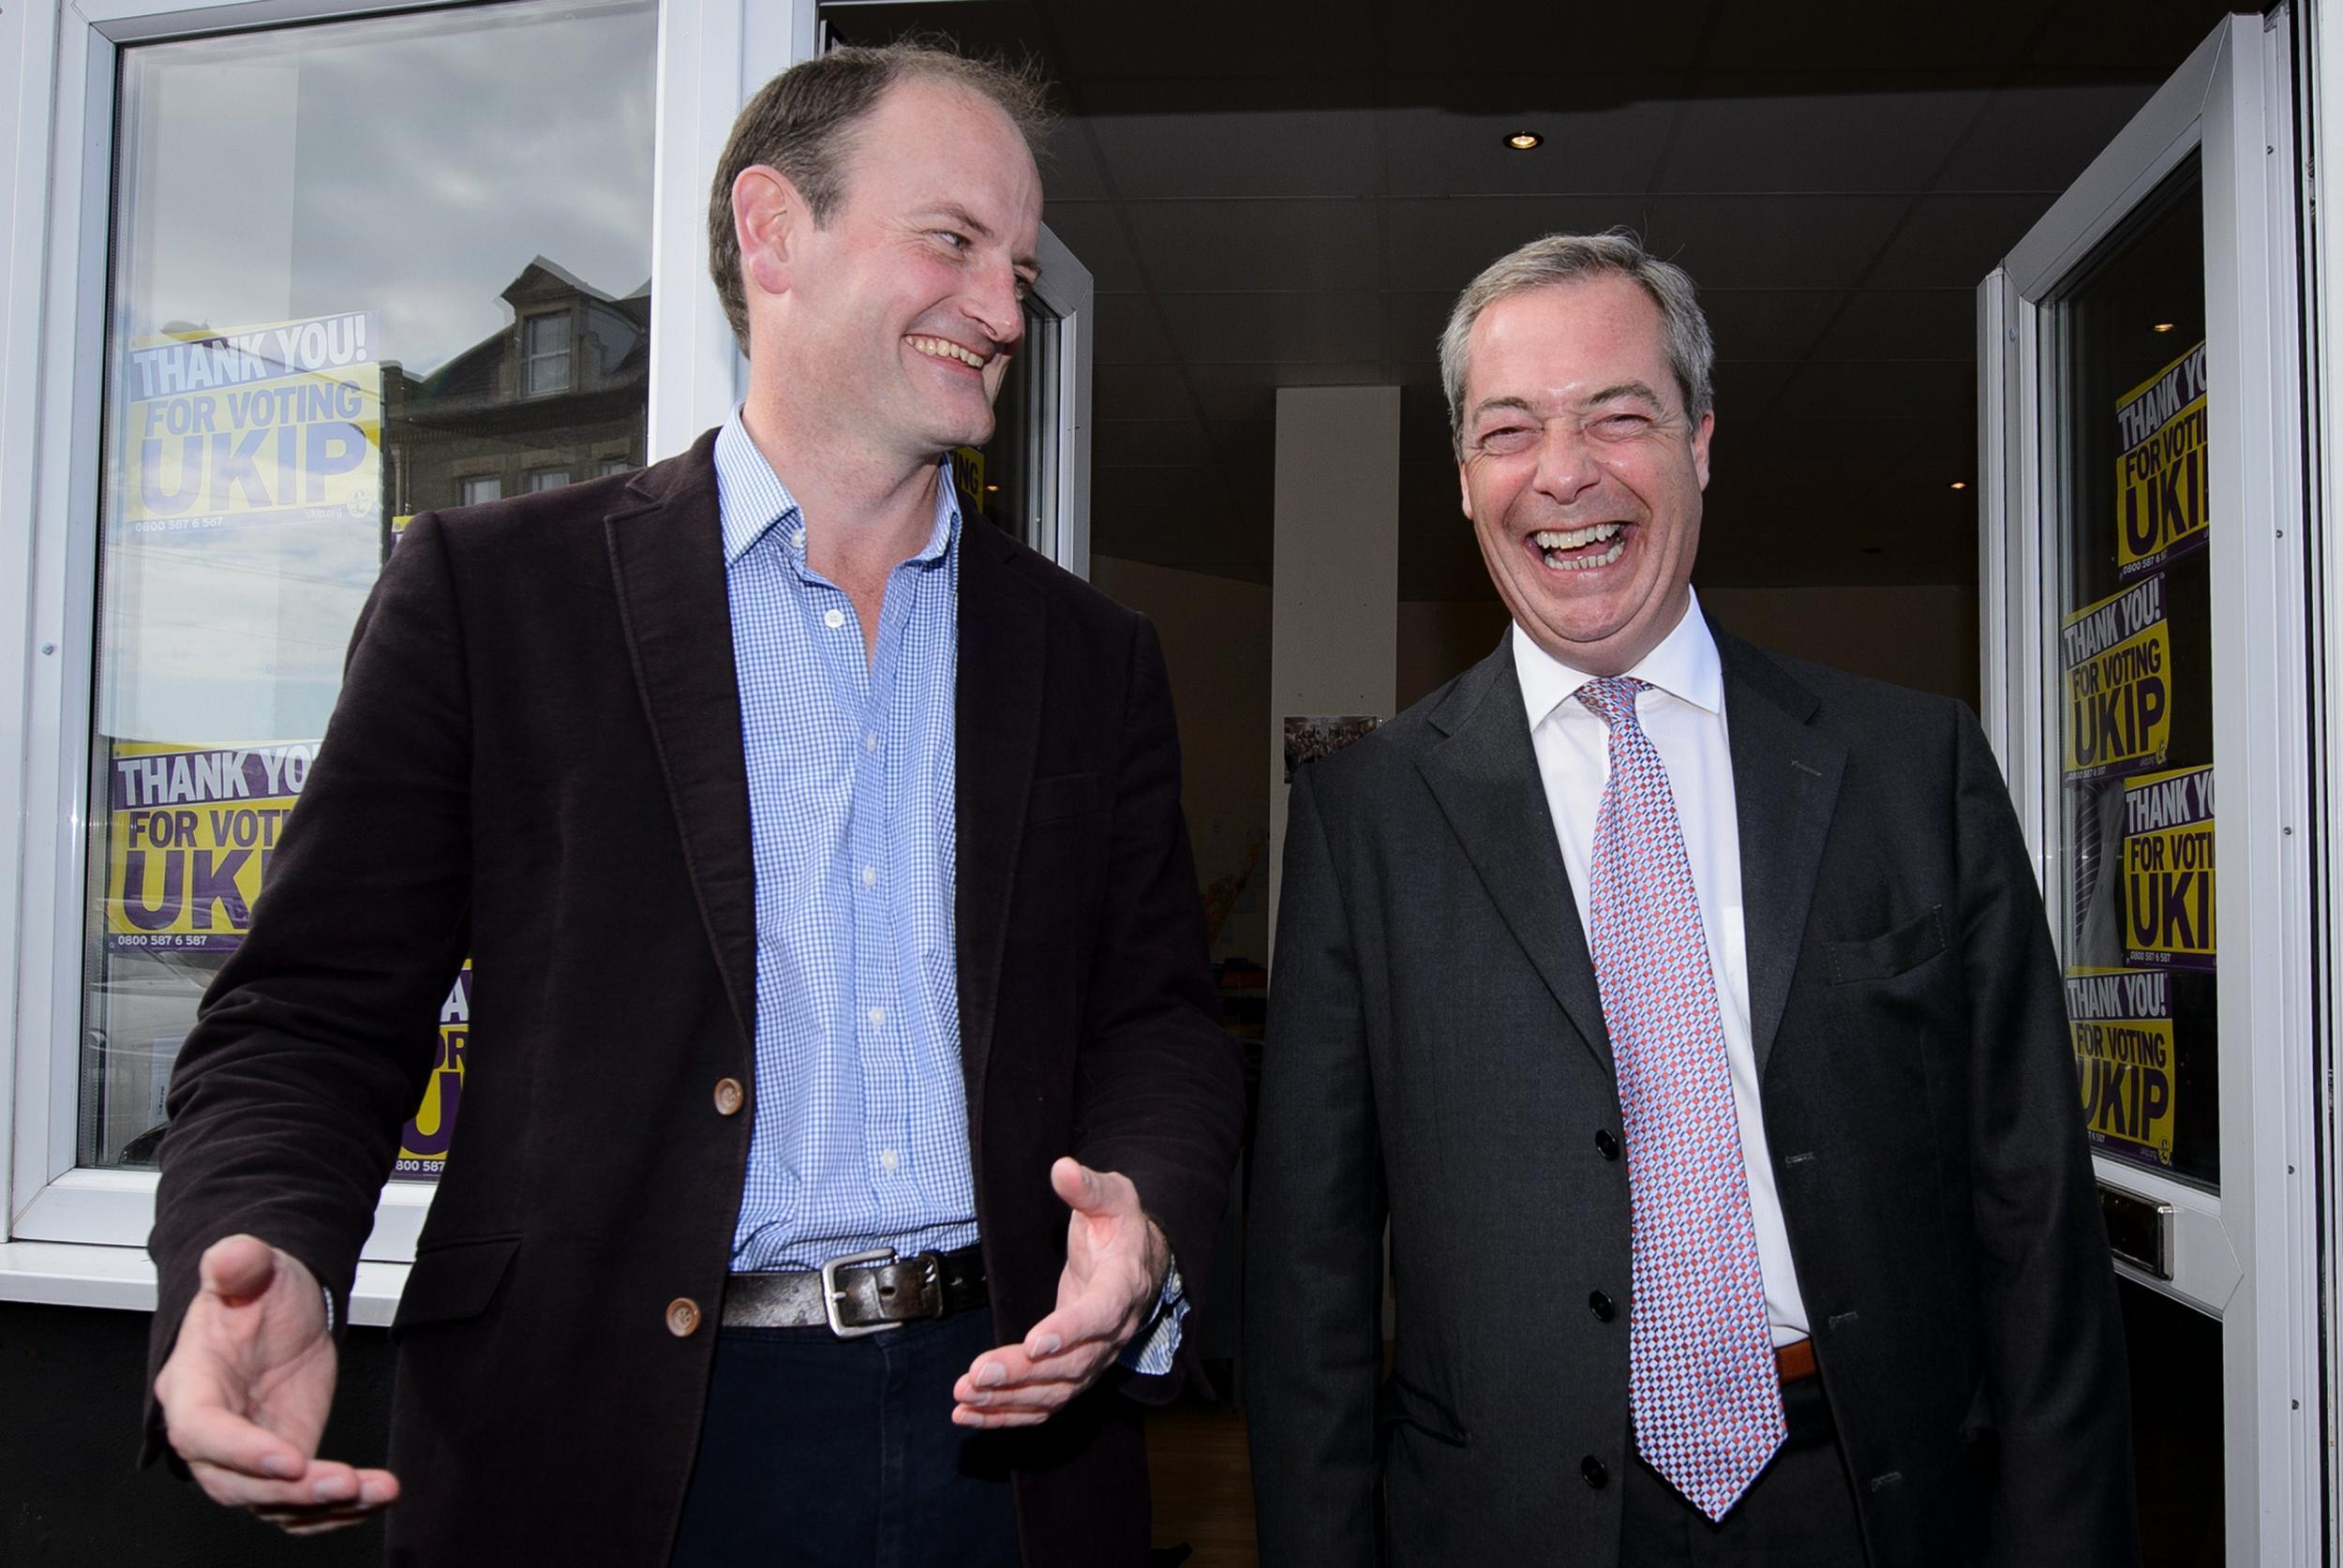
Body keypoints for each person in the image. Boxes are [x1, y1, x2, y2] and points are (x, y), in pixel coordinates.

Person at [142, 43, 1243, 1568]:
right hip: (604, 1446)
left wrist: (1150, 1220)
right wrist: (261, 1257)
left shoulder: (1091, 657)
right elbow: (311, 1015)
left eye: (1016, 262)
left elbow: (1160, 1024)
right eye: (952, 241)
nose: (1002, 309)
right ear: (772, 231)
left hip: (1010, 1450)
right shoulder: (491, 594)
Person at [1244, 231, 2136, 1567]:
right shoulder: (1364, 818)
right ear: (1465, 474)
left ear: (1702, 439)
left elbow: (2037, 1229)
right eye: (1510, 428)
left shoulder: (1912, 768)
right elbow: (1307, 1277)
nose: (1565, 472)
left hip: (1867, 1510)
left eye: (1619, 415)